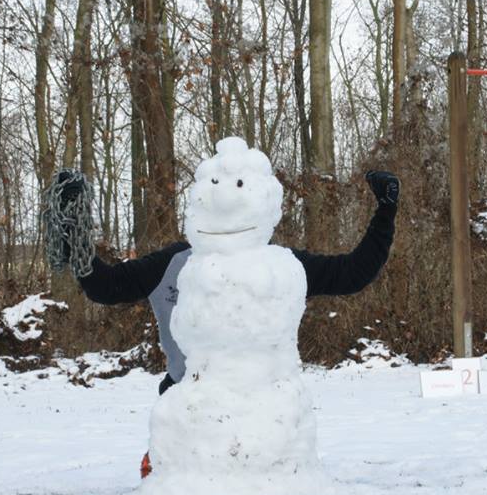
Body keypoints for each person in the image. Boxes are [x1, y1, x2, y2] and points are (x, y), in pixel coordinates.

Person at [53, 167, 399, 396]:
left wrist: (385, 211)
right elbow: (105, 286)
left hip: (259, 402)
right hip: (186, 399)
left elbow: (352, 274)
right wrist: (75, 235)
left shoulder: (277, 265)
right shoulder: (173, 264)